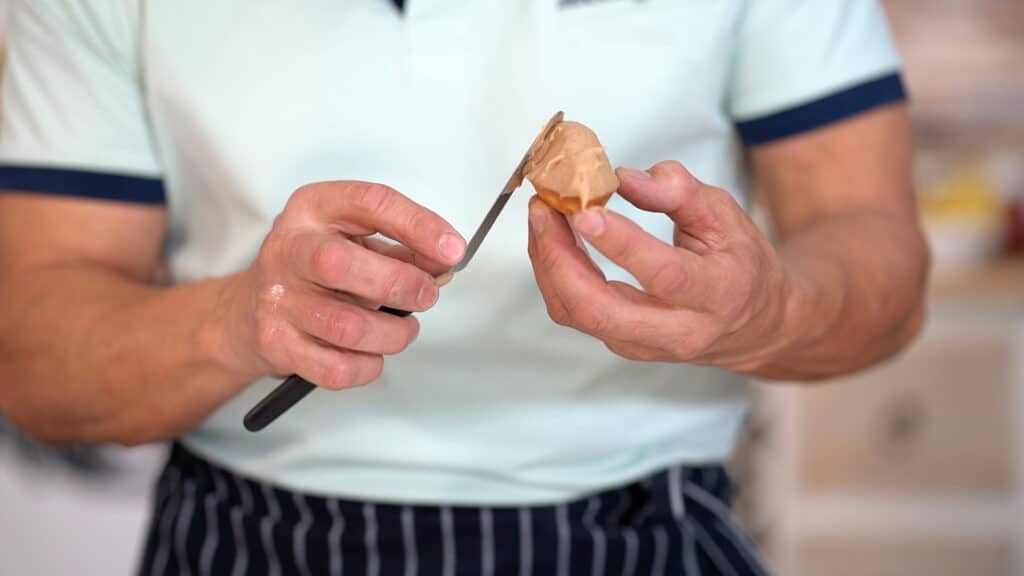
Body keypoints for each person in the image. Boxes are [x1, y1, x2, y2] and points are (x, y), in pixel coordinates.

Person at [0, 1, 928, 574]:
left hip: (644, 531)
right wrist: (235, 322)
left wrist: (770, 313)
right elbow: (33, 359)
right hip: (250, 535)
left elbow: (882, 259)